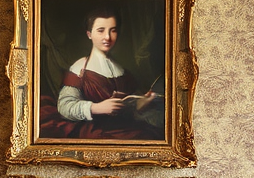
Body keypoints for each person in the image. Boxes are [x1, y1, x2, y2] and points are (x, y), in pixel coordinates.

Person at [39, 8, 163, 140]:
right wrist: (96, 108)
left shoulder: (122, 71)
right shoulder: (80, 69)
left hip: (124, 128)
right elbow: (65, 106)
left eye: (113, 30)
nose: (108, 37)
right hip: (95, 131)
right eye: (101, 30)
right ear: (89, 34)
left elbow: (128, 110)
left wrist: (140, 104)